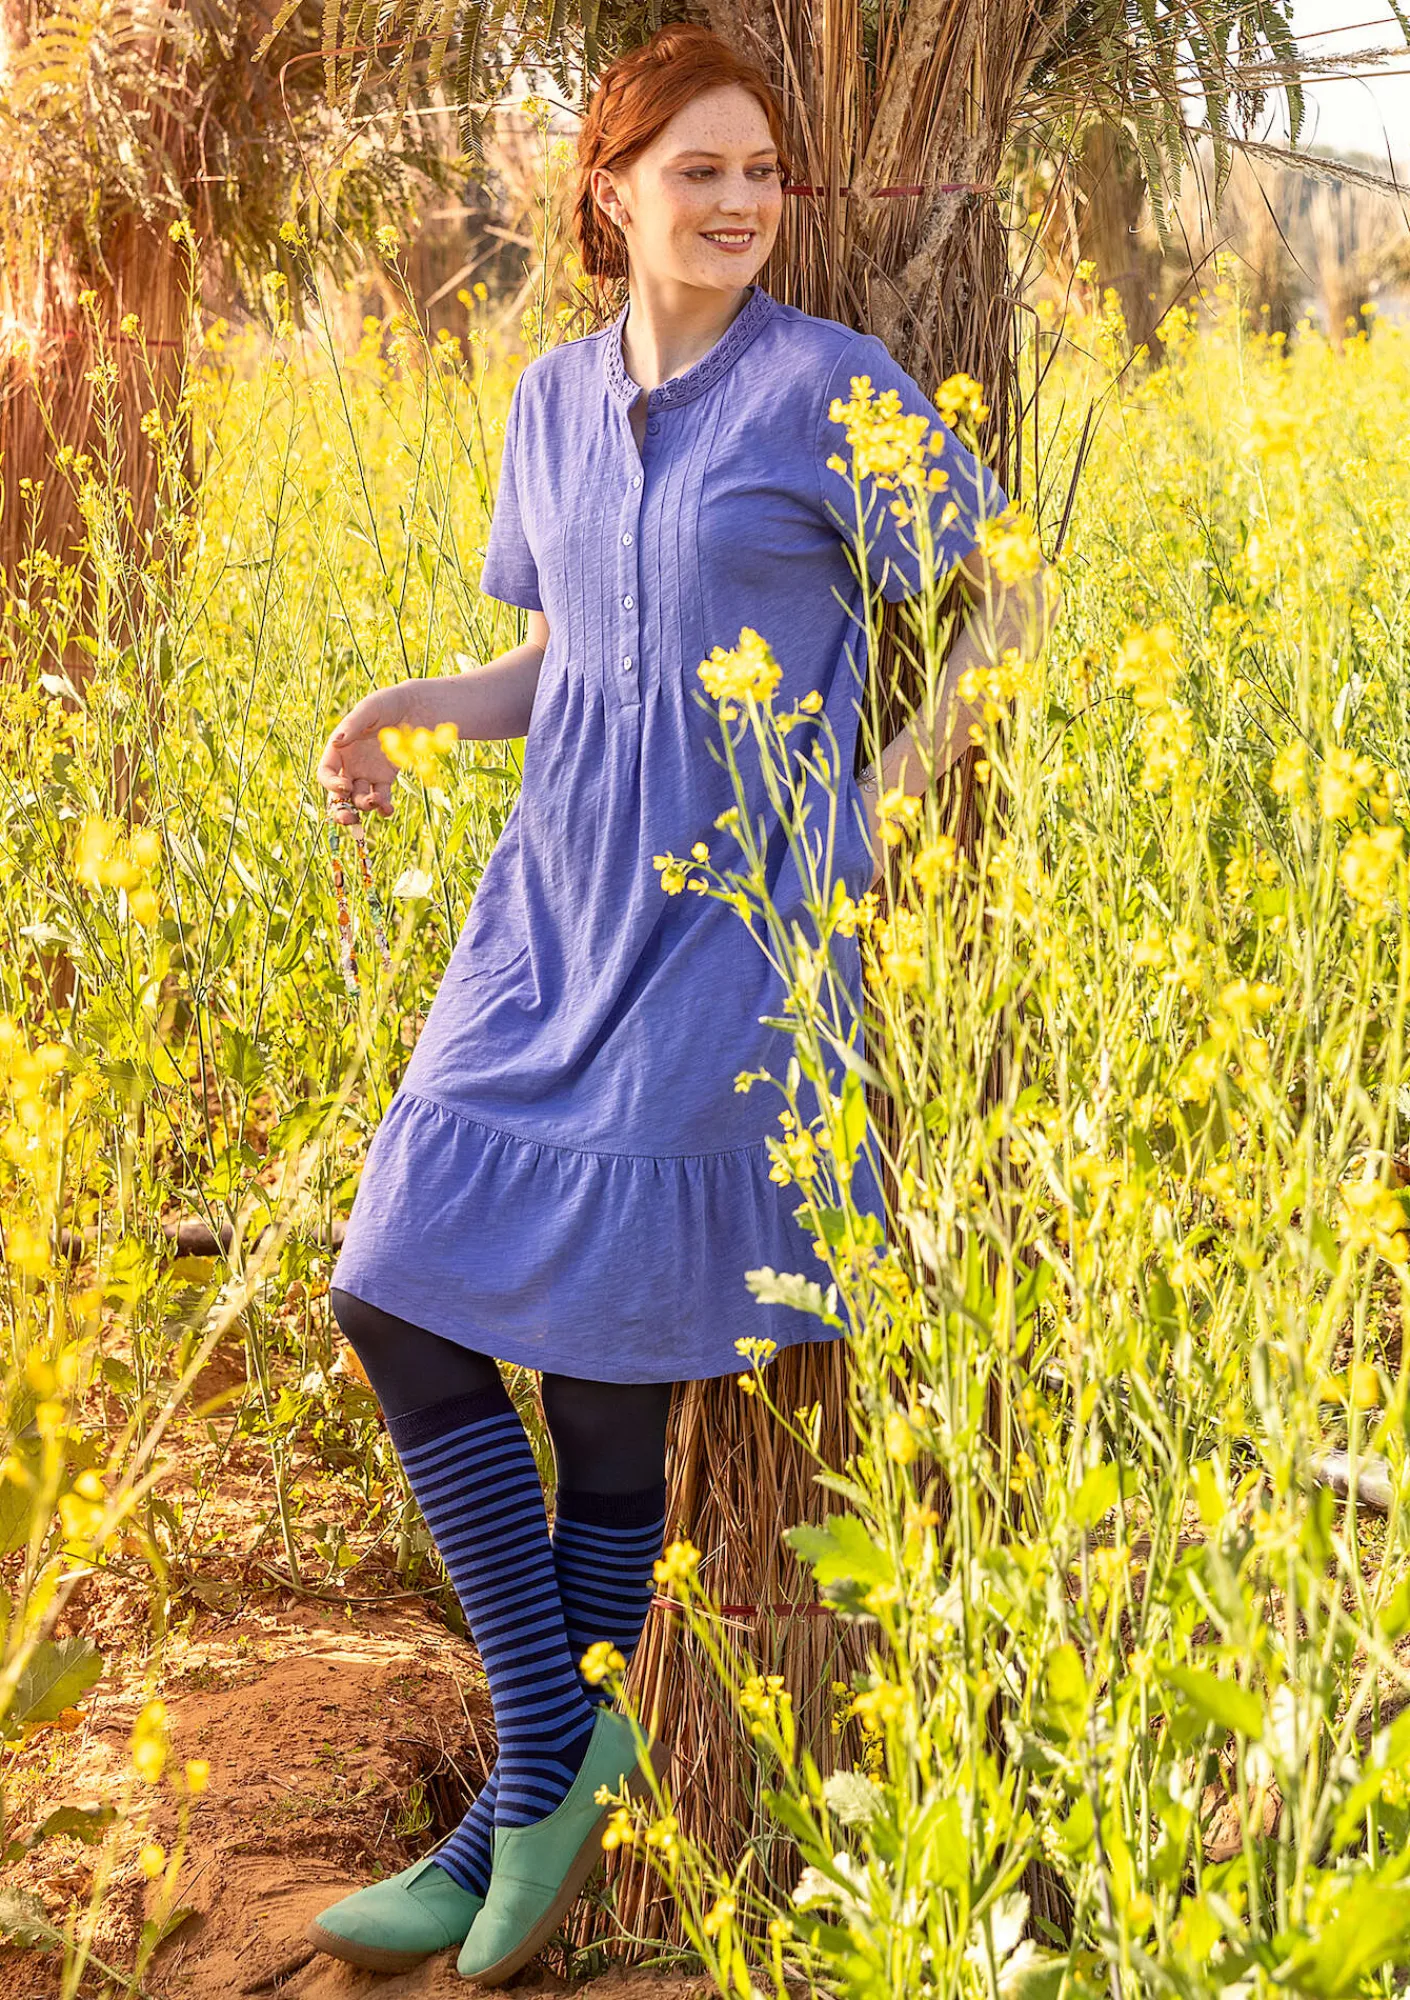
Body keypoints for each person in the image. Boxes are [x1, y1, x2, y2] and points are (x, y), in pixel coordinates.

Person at [305, 21, 1055, 1989]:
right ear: (609, 190)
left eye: (760, 173)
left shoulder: (834, 390)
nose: (736, 204)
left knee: (615, 1361)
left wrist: (894, 790)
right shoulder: (550, 401)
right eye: (698, 169)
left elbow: (1009, 586)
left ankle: (516, 1802)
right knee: (390, 1283)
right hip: (545, 909)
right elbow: (555, 665)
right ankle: (557, 1748)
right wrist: (402, 704)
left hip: (734, 922)